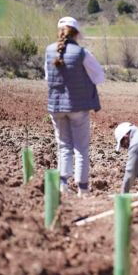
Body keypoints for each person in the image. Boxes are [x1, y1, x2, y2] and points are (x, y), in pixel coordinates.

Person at [45, 16, 104, 197]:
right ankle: (83, 189)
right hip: (78, 107)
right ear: (76, 33)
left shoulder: (49, 51)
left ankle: (63, 187)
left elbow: (48, 78)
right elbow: (99, 77)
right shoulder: (81, 53)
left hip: (56, 107)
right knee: (81, 148)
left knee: (63, 146)